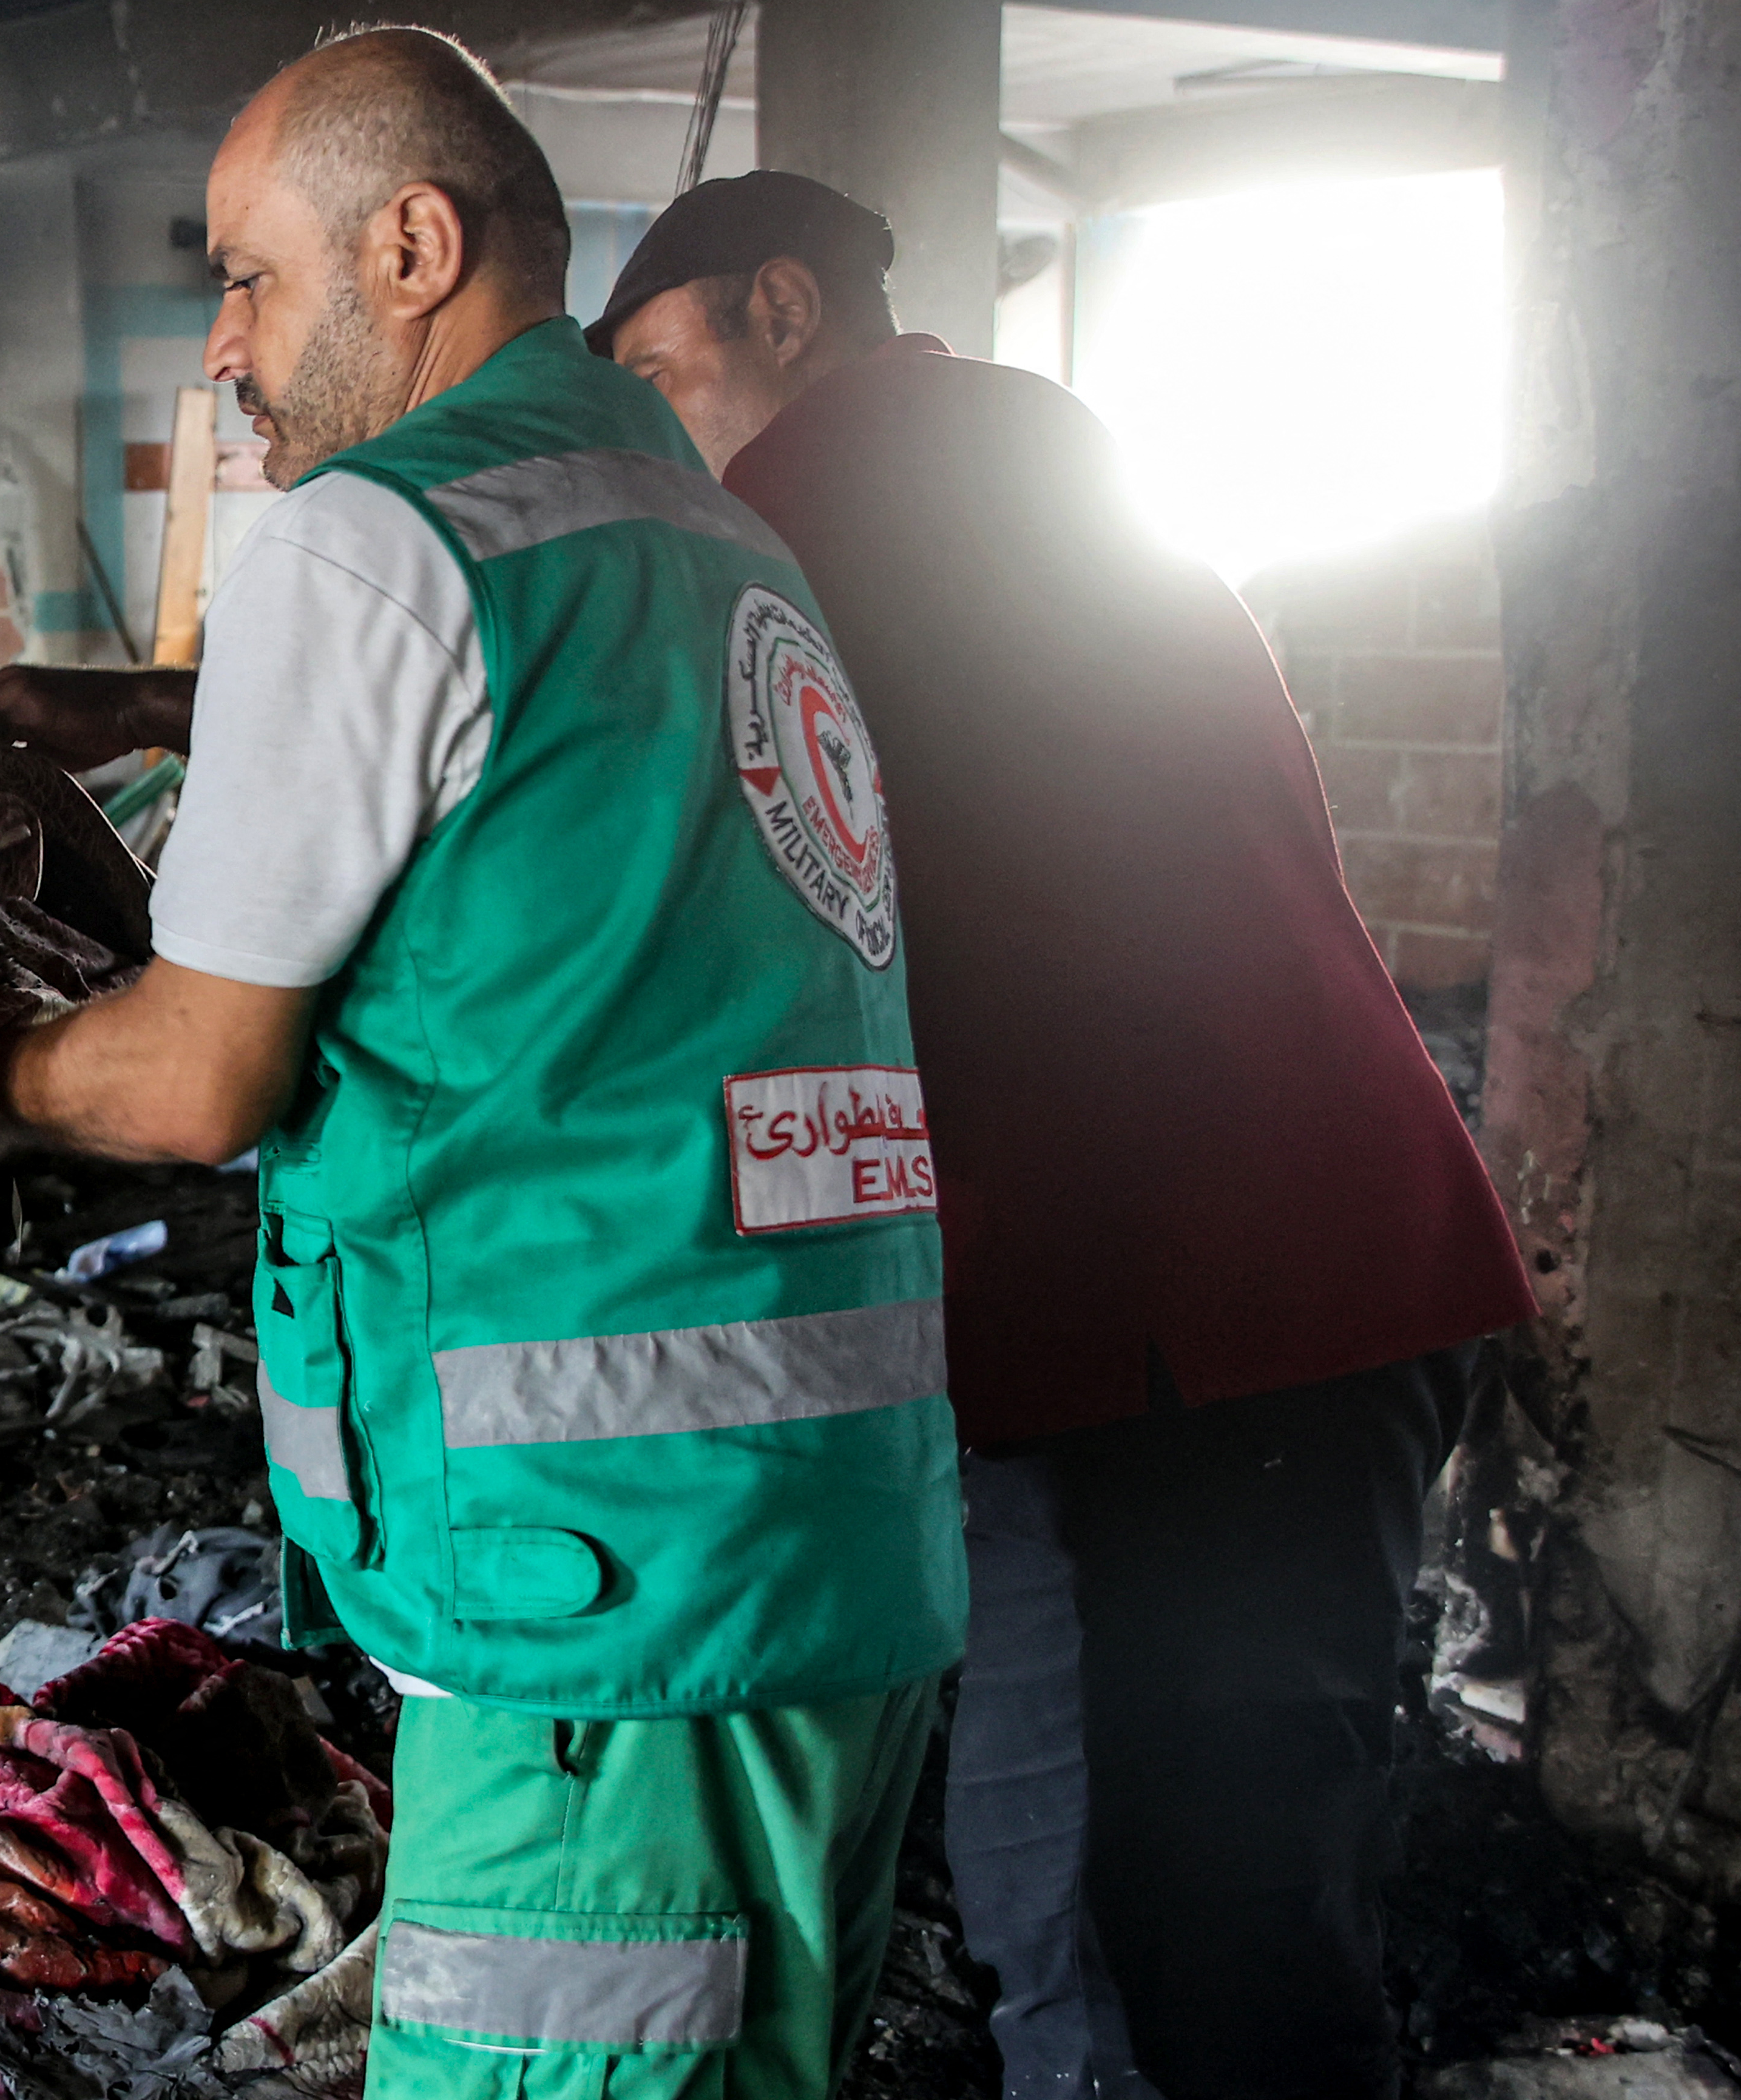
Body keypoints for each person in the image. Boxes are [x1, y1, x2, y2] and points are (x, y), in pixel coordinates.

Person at [0, 30, 964, 2096]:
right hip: (826, 1557)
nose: (225, 342)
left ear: (410, 243)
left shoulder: (361, 538)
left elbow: (194, 1079)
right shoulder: (708, 535)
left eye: (249, 274)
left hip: (594, 1602)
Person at [589, 171, 1536, 2100]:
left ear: (782, 309)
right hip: (1267, 1285)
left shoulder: (856, 489)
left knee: (1159, 1932)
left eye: (660, 376)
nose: (657, 447)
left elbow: (552, 694)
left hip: (1188, 1319)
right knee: (1221, 1892)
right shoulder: (1021, 467)